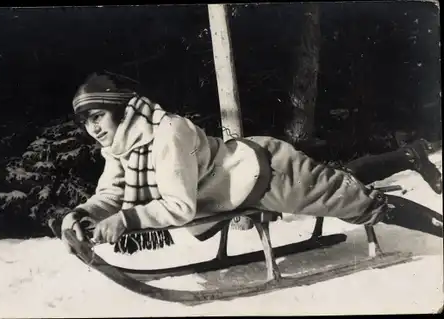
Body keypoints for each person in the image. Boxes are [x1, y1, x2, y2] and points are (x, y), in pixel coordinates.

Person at [59, 73, 443, 254]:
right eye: (86, 122)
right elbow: (111, 191)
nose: (93, 129)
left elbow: (179, 206)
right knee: (337, 182)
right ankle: (410, 155)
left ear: (120, 111)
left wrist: (125, 220)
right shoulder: (123, 145)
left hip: (264, 176)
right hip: (239, 181)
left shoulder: (166, 133)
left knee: (358, 203)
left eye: (98, 117)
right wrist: (84, 213)